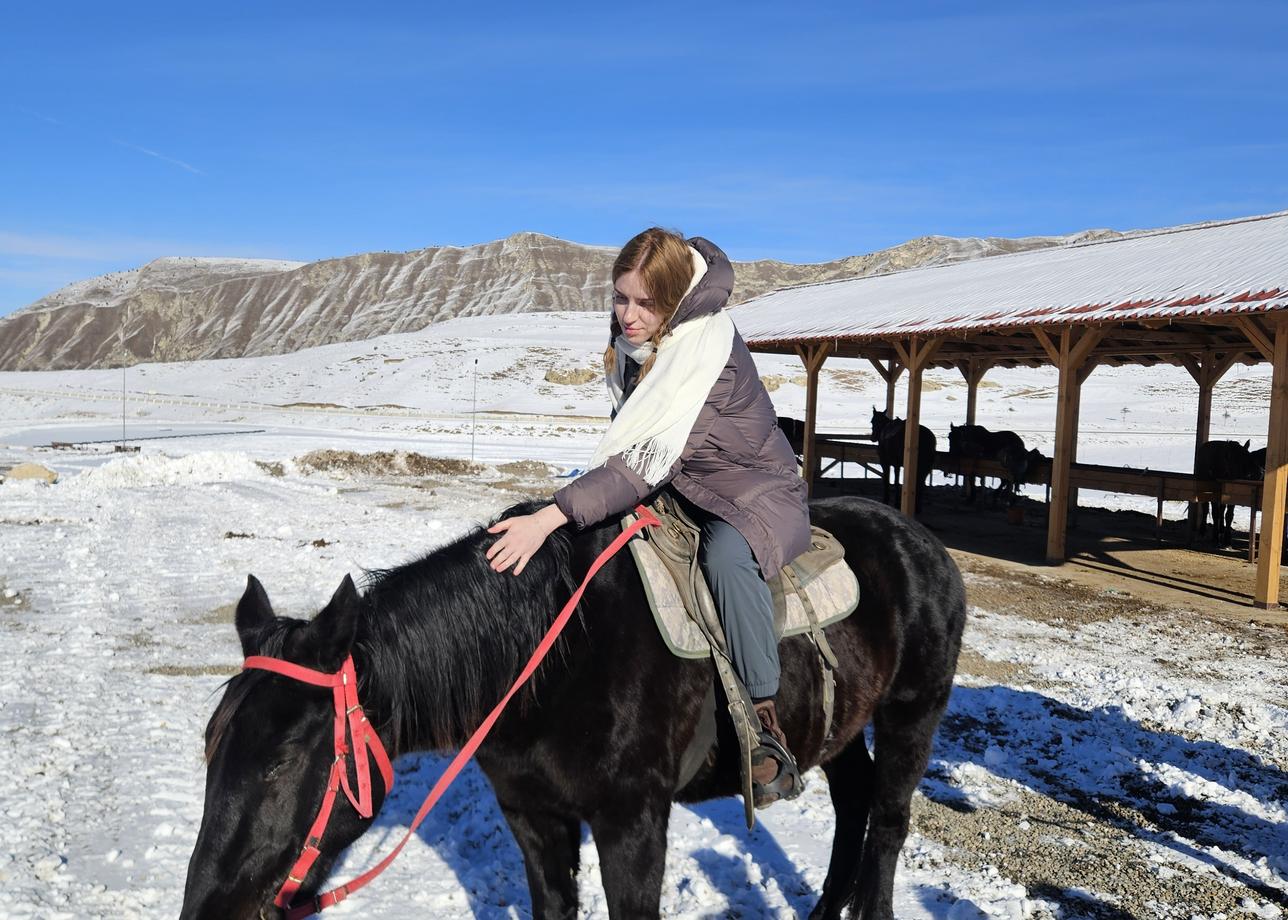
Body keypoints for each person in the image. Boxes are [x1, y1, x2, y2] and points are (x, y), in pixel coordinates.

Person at [485, 227, 812, 807]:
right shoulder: (645, 346)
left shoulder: (705, 353)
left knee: (727, 555)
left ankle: (761, 715)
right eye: (620, 297)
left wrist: (550, 517)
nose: (628, 316)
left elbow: (643, 465)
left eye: (645, 302)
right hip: (686, 485)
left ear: (676, 300)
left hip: (754, 493)